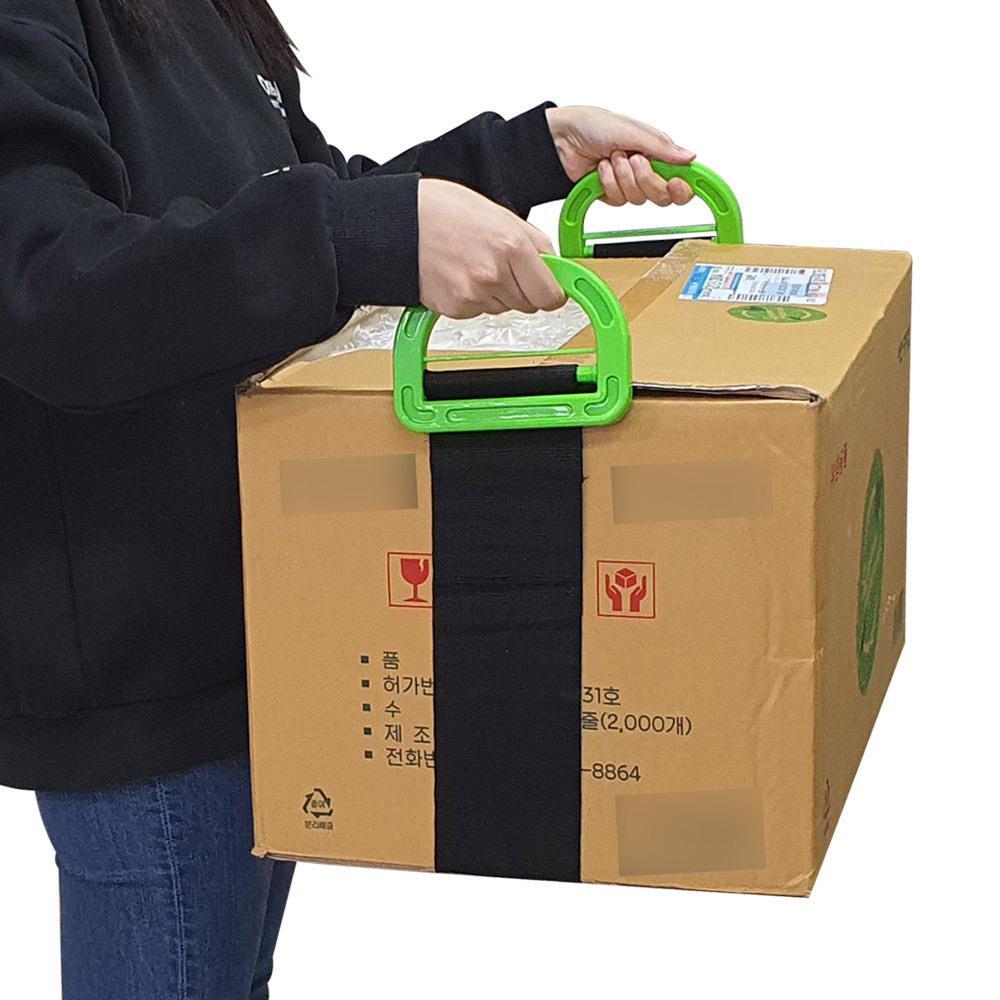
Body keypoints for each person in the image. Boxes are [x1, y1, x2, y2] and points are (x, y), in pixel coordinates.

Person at [0, 0, 697, 996]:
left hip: (261, 630)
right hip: (142, 680)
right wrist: (363, 232)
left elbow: (305, 203)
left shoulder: (205, 16)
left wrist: (528, 154)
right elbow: (47, 298)